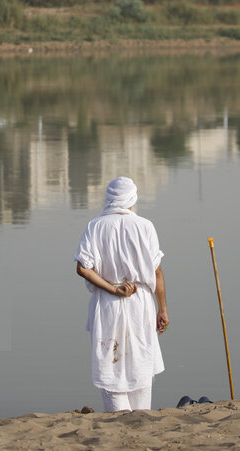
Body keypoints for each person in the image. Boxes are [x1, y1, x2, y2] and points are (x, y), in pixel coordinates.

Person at [74, 176, 168, 412]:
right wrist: (163, 309)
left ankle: (118, 417)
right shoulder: (145, 226)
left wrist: (113, 289)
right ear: (132, 199)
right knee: (140, 362)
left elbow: (82, 268)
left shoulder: (95, 226)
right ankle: (140, 416)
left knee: (110, 364)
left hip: (107, 304)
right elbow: (156, 272)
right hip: (141, 303)